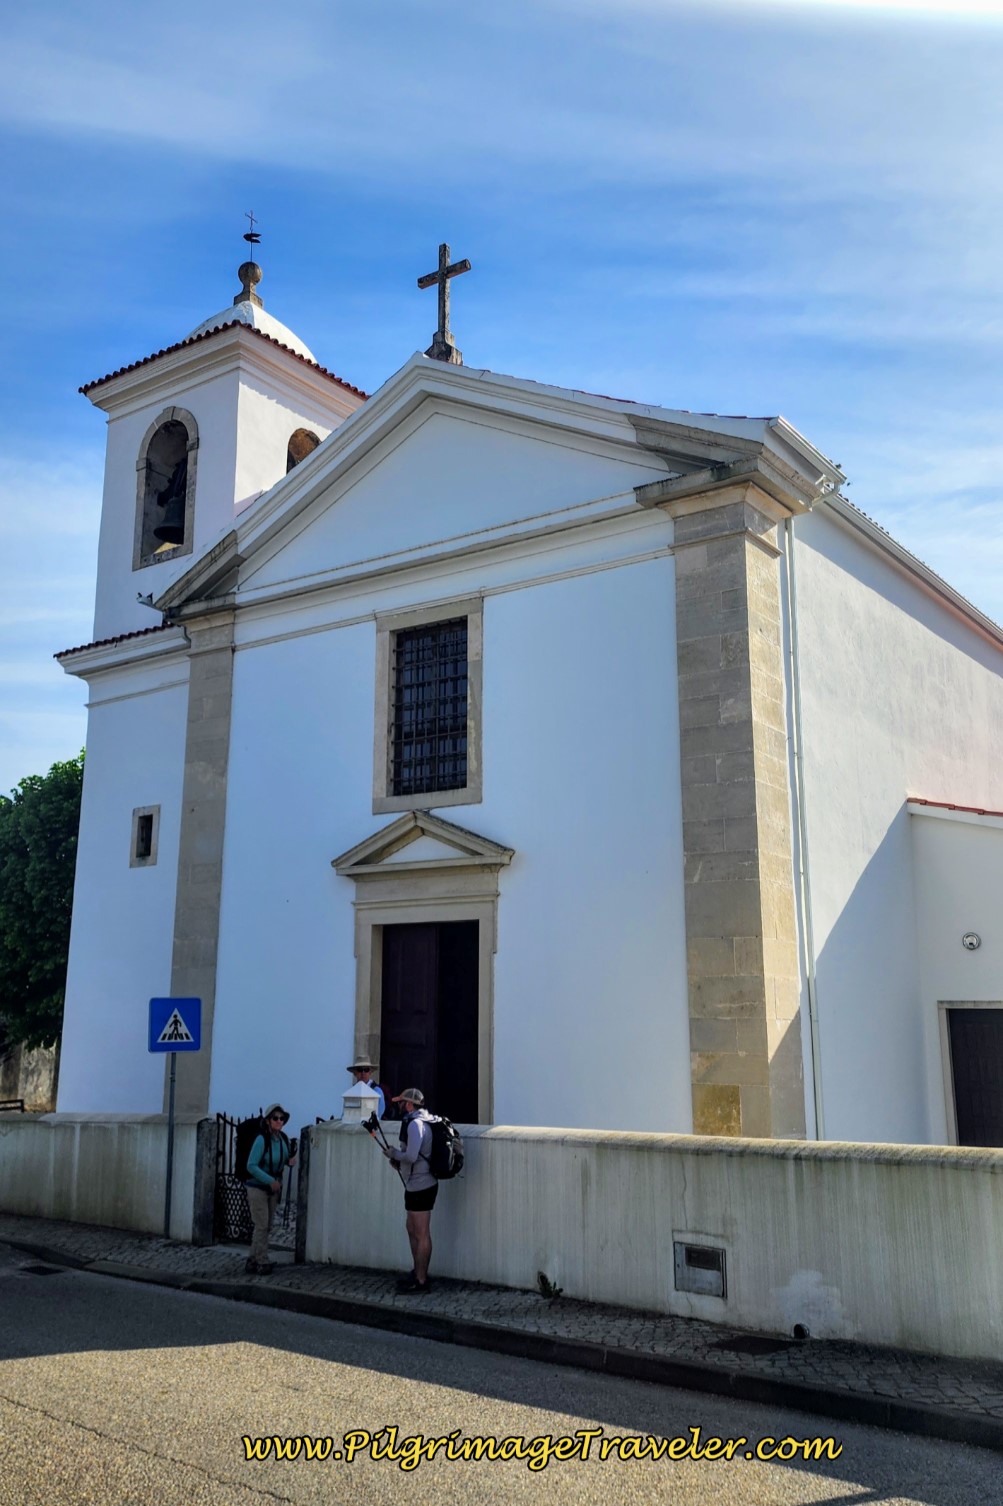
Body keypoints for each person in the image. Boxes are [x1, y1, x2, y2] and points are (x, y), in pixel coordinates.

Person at [381, 1087, 436, 1294]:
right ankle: (417, 1272)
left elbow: (412, 1156)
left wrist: (394, 1153)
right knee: (412, 1229)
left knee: (421, 1233)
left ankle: (421, 1280)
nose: (400, 1106)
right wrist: (399, 1162)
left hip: (421, 1185)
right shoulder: (424, 1121)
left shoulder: (415, 1124)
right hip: (418, 1184)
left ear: (410, 1105)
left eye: (402, 1102)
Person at [244, 1103, 296, 1275]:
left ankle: (252, 1260)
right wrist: (269, 1180)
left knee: (265, 1225)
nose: (279, 1121)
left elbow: (282, 1158)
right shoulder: (261, 1140)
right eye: (275, 1118)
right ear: (268, 1121)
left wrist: (288, 1161)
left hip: (273, 1188)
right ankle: (262, 1261)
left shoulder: (282, 1139)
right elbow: (251, 1165)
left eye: (281, 1118)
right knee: (262, 1224)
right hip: (257, 1186)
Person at [346, 1055, 386, 1119]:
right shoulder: (351, 1091)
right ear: (355, 1073)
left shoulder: (377, 1091)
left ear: (370, 1072)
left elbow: (380, 1112)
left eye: (366, 1070)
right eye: (360, 1070)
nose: (363, 1073)